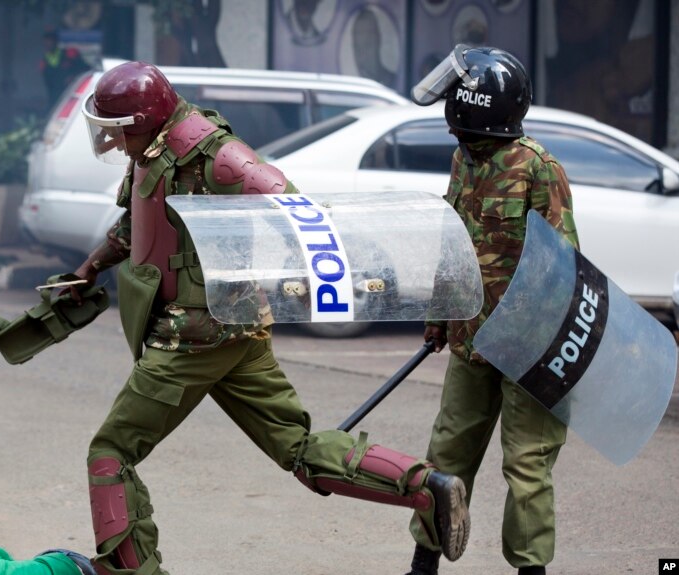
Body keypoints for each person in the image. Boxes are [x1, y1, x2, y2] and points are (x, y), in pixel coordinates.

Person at [69, 60, 471, 575]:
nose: (112, 143)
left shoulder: (219, 156)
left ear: (145, 118)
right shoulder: (153, 148)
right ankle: (425, 486)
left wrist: (307, 281)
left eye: (118, 131)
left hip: (191, 338)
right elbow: (136, 223)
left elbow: (292, 209)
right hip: (234, 334)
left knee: (110, 454)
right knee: (298, 449)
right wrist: (88, 269)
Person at [404, 46, 579, 575]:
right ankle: (423, 563)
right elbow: (452, 242)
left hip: (529, 350)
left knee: (526, 467)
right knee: (447, 453)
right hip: (470, 341)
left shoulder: (539, 169)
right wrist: (439, 316)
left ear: (474, 107)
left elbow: (562, 267)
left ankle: (530, 570)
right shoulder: (464, 160)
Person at [39, 29, 90, 112]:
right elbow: (48, 84)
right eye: (46, 41)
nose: (48, 43)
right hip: (55, 97)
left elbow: (85, 69)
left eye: (50, 40)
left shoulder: (69, 54)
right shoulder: (44, 62)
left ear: (55, 41)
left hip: (73, 93)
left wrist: (74, 76)